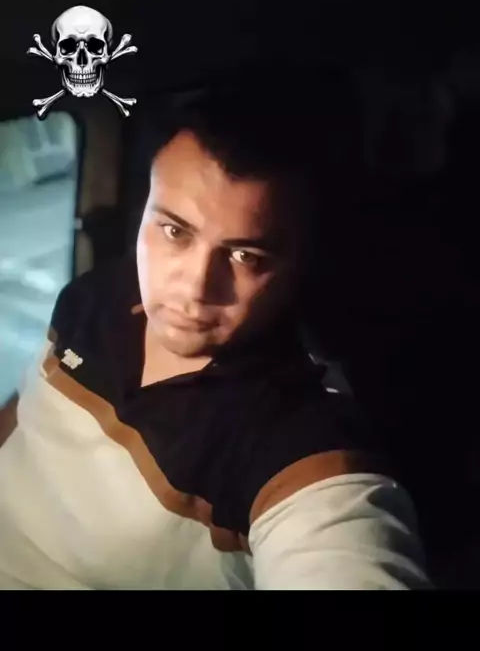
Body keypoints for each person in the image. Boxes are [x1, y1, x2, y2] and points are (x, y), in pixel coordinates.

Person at [0, 69, 431, 590]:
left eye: (246, 256)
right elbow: (26, 416)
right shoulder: (97, 296)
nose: (195, 286)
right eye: (174, 231)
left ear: (298, 266)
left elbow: (342, 544)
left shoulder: (294, 436)